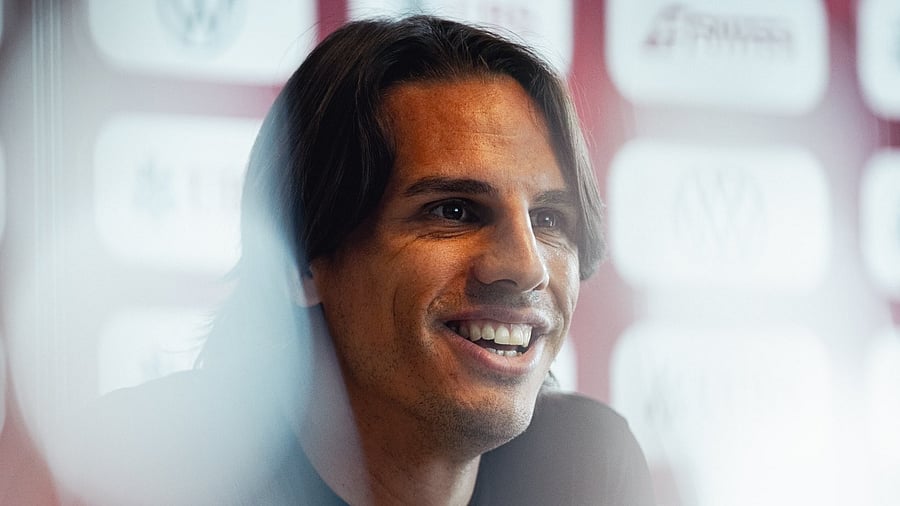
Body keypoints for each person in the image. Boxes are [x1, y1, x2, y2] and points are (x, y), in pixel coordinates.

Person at [62, 15, 654, 505]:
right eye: (453, 211)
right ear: (302, 259)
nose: (525, 266)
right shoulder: (142, 472)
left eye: (550, 220)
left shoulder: (583, 467)